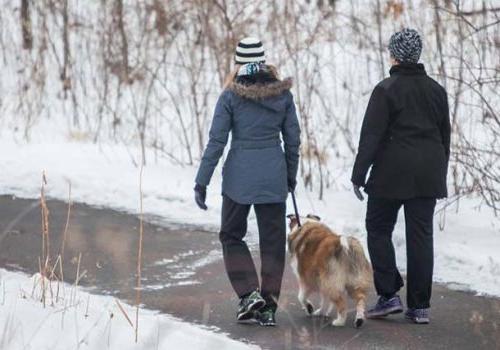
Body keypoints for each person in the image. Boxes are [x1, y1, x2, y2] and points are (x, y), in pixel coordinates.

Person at [193, 37, 300, 326]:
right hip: (273, 175)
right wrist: (290, 176)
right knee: (273, 243)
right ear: (264, 60)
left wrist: (201, 181)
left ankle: (249, 293)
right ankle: (268, 306)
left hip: (239, 178)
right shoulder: (283, 96)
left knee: (231, 235)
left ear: (239, 62)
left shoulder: (230, 96)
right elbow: (293, 141)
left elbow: (216, 142)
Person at [351, 28, 450, 324]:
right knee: (421, 237)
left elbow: (371, 136)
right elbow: (445, 136)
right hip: (428, 173)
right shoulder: (436, 90)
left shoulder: (386, 89)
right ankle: (420, 307)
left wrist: (358, 174)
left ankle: (389, 294)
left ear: (394, 55)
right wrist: (438, 169)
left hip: (392, 173)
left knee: (378, 226)